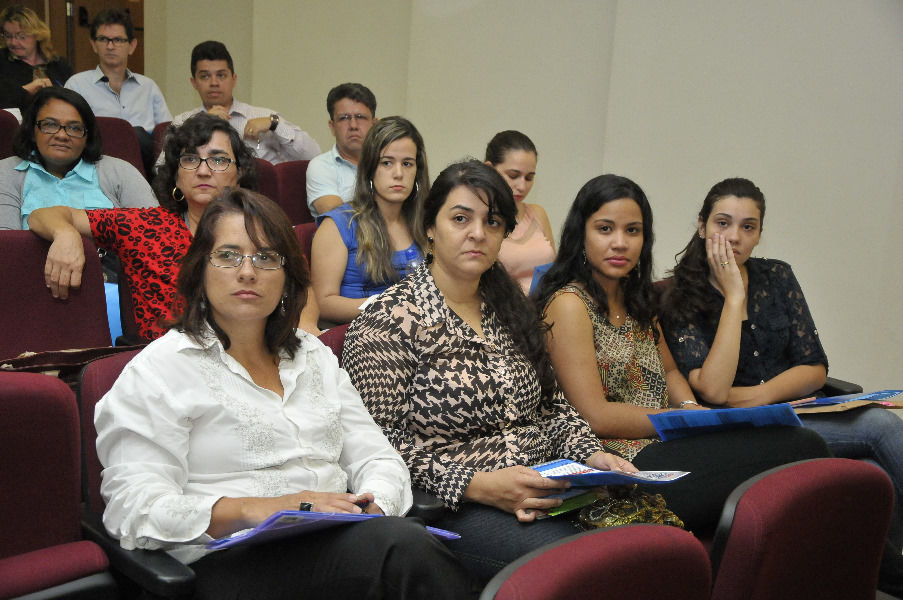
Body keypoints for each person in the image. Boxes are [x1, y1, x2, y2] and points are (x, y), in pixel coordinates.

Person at [94, 188, 474, 600]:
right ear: (200, 268)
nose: (247, 272)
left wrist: (373, 504)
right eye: (228, 255)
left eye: (266, 258)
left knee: (404, 542)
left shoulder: (313, 355)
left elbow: (376, 456)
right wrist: (265, 508)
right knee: (401, 551)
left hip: (340, 541)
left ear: (287, 277)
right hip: (227, 562)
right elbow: (133, 508)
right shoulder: (160, 370)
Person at [344, 160, 634, 582]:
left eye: (492, 222)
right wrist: (478, 485)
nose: (478, 233)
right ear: (430, 227)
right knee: (592, 569)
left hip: (550, 485)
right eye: (461, 218)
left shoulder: (511, 309)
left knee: (648, 544)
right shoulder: (387, 321)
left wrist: (592, 454)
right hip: (461, 506)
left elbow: (552, 410)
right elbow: (377, 447)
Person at [532, 173, 830, 537]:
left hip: (668, 439)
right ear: (581, 234)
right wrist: (678, 419)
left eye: (632, 231)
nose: (620, 243)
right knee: (802, 451)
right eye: (605, 229)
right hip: (619, 458)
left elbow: (671, 372)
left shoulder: (636, 298)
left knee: (798, 444)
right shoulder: (569, 304)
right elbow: (595, 415)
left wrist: (689, 407)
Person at [659, 176, 903, 550]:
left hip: (799, 412)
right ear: (702, 226)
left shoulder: (777, 276)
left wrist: (761, 396)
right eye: (723, 223)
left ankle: (887, 572)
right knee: (880, 427)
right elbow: (714, 391)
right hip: (741, 432)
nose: (735, 237)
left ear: (759, 235)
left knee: (872, 474)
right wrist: (734, 298)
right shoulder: (677, 295)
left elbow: (814, 368)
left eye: (748, 227)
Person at [27, 112, 318, 340]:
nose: (203, 170)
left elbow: (300, 284)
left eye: (218, 160)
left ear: (239, 172)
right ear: (176, 174)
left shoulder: (262, 228)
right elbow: (44, 214)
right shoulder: (142, 226)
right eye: (190, 159)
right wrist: (64, 234)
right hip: (168, 371)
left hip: (248, 359)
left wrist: (305, 327)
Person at [310, 116, 428, 324]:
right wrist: (388, 306)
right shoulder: (338, 224)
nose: (398, 173)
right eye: (387, 163)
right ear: (370, 169)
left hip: (421, 329)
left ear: (417, 171)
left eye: (407, 164)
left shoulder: (426, 223)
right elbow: (322, 303)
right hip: (361, 332)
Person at [0, 86, 155, 230]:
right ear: (32, 131)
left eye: (74, 128)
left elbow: (156, 229)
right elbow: (7, 243)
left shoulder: (120, 171)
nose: (62, 135)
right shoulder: (6, 172)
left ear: (87, 136)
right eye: (50, 125)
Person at [169, 41, 319, 165]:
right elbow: (163, 169)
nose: (214, 83)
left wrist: (275, 125)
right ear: (194, 83)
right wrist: (201, 126)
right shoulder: (182, 122)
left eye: (221, 75)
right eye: (205, 76)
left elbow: (314, 156)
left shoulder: (264, 116)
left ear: (234, 79)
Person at [65, 8, 171, 175]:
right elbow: (69, 134)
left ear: (132, 46)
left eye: (118, 40)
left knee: (141, 135)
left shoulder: (148, 87)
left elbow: (167, 136)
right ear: (93, 44)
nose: (110, 46)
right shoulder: (77, 85)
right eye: (103, 39)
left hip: (146, 171)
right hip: (95, 168)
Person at [485, 130, 555, 293]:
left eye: (529, 178)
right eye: (513, 175)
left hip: (545, 305)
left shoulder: (538, 213)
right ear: (489, 169)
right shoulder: (480, 220)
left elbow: (556, 272)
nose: (522, 186)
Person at [306, 83, 377, 219]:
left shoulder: (388, 163)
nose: (353, 125)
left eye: (360, 117)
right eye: (344, 118)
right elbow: (341, 220)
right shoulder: (321, 166)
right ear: (332, 127)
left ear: (374, 125)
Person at [0, 5, 72, 111]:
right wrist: (24, 91)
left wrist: (56, 94)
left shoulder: (58, 64)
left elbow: (73, 101)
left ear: (37, 34)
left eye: (21, 36)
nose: (13, 43)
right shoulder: (2, 61)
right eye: (8, 36)